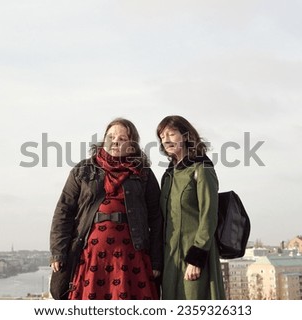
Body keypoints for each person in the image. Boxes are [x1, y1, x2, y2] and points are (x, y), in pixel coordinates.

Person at [50, 118, 163, 300]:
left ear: (132, 144)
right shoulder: (83, 170)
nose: (115, 141)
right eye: (111, 136)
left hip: (132, 257)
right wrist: (58, 252)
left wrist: (157, 261)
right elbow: (64, 211)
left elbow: (157, 219)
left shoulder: (144, 173)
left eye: (122, 138)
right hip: (90, 256)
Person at [156, 115, 225, 300]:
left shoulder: (202, 168)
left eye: (171, 134)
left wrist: (196, 259)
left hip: (194, 257)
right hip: (170, 260)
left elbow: (209, 215)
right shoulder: (168, 174)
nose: (166, 140)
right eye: (162, 137)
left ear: (185, 135)